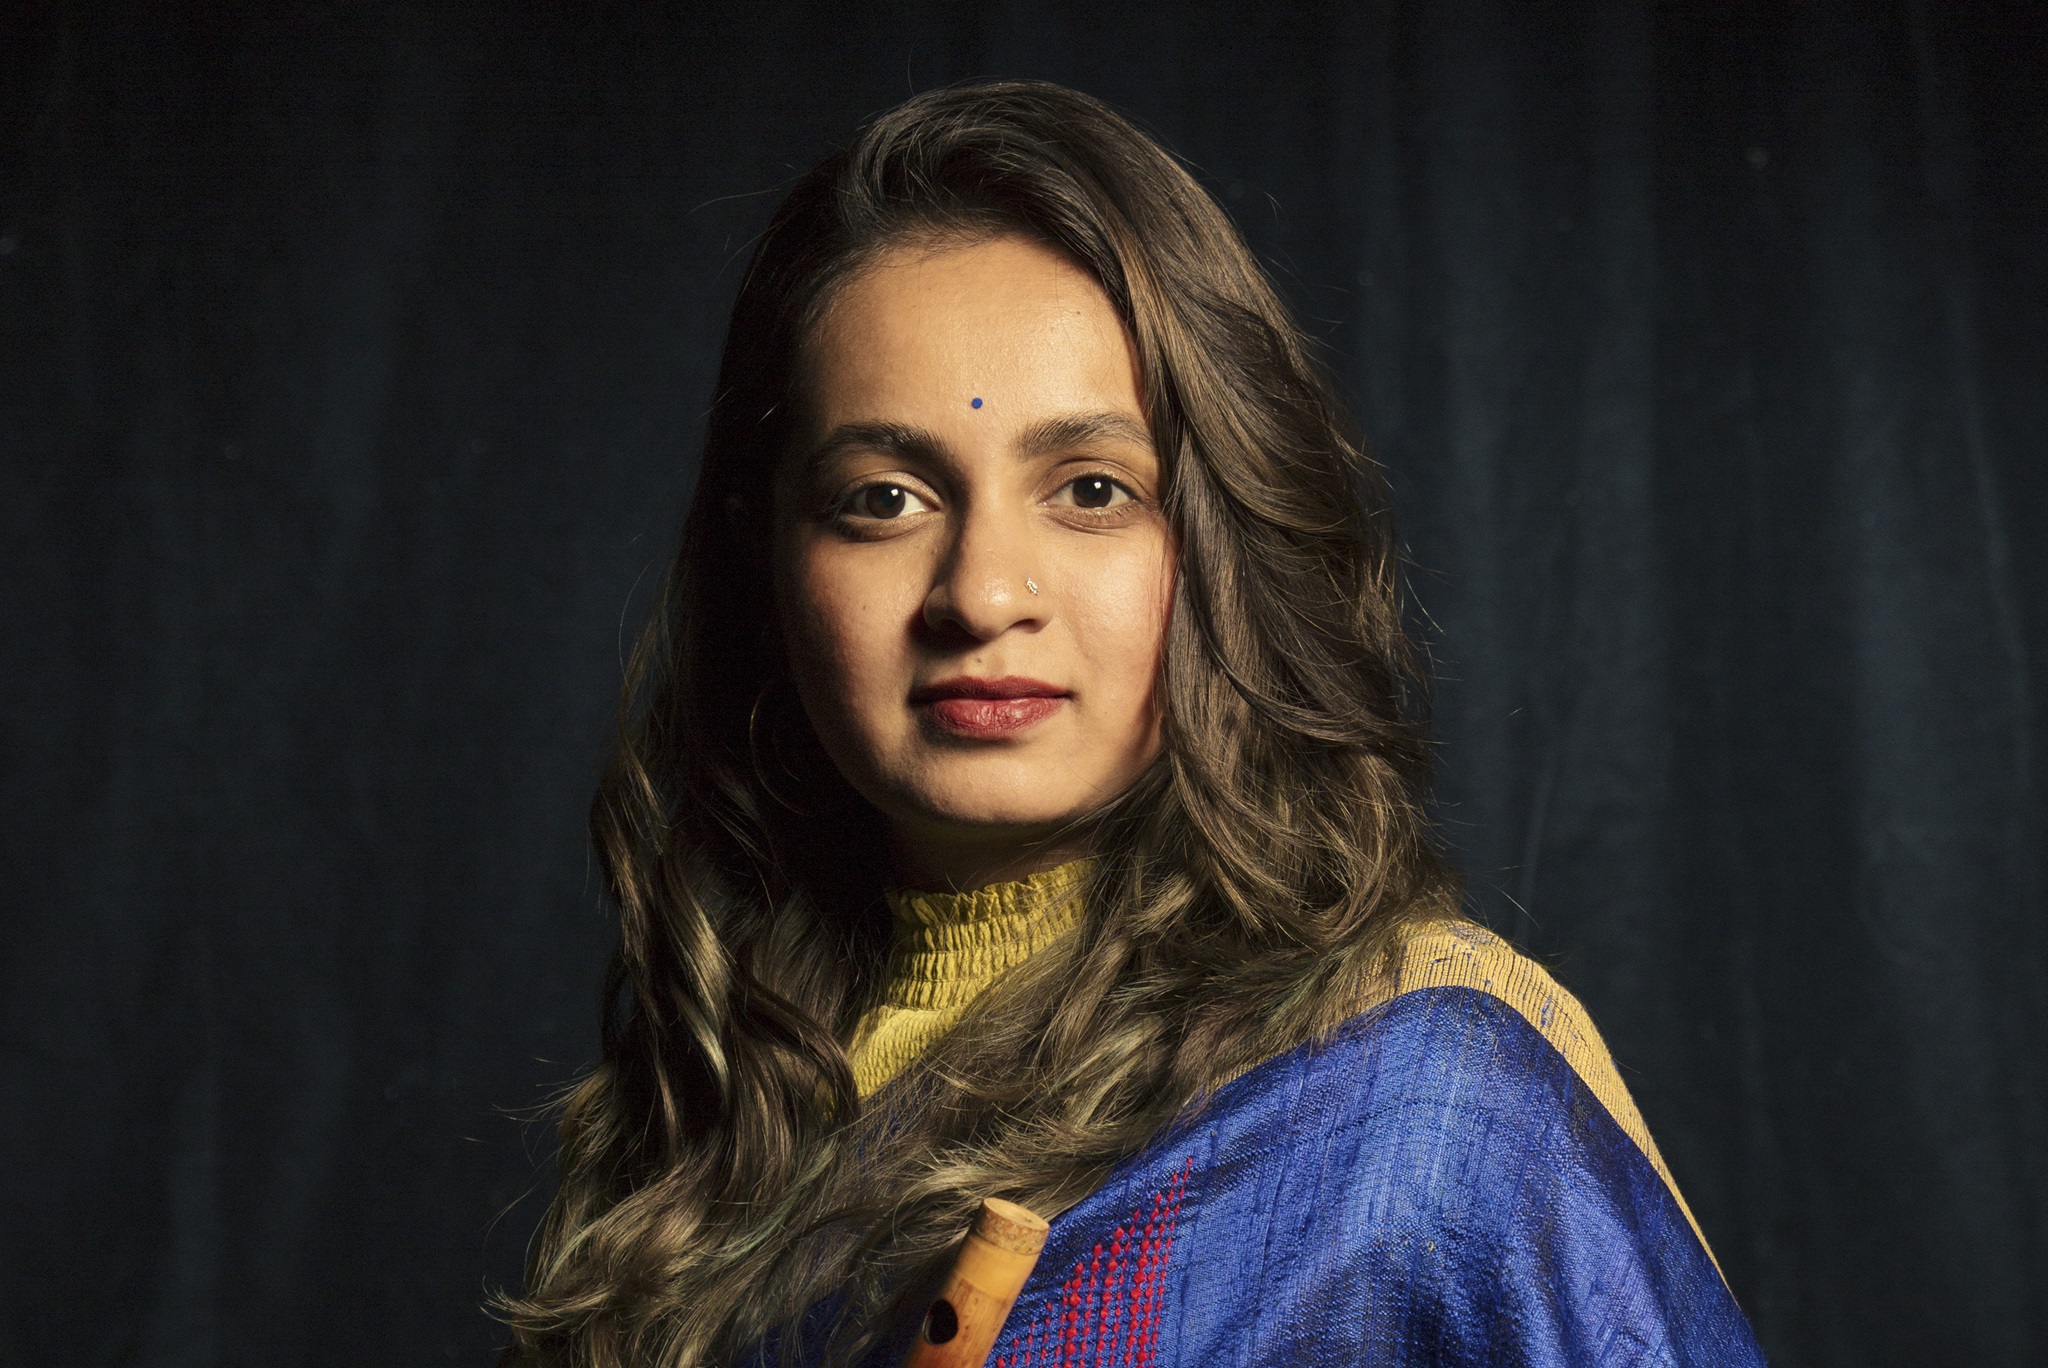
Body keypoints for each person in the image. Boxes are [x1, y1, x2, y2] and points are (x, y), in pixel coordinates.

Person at [496, 81, 1765, 1368]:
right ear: (761, 553)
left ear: (1219, 540)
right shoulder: (704, 1123)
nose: (983, 593)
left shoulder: (1421, 1099)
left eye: (1092, 490)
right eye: (882, 498)